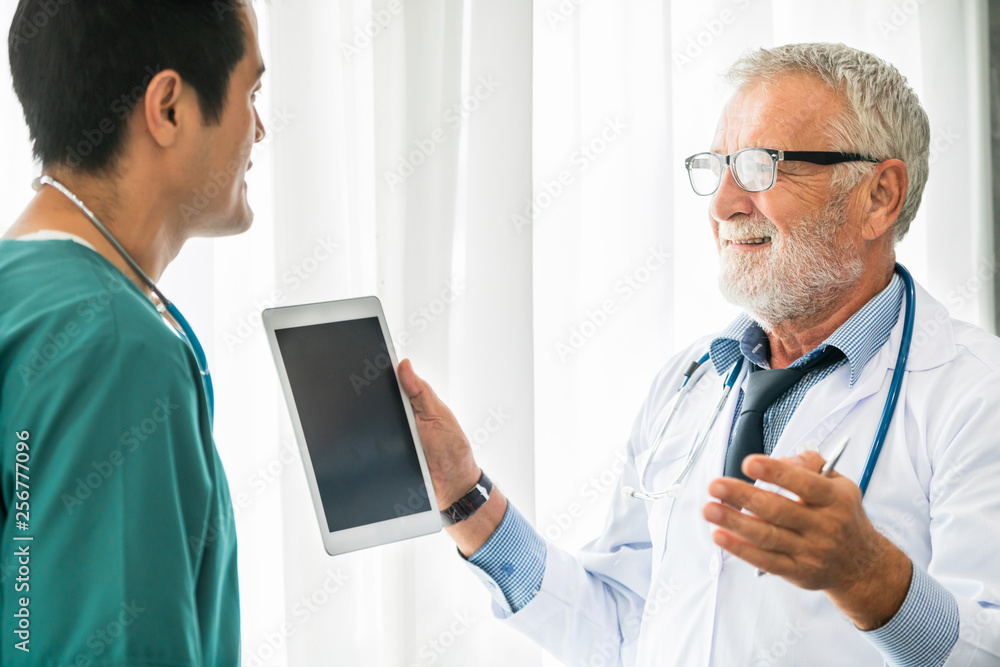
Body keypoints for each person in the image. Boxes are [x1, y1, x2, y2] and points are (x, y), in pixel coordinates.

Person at [397, 43, 1000, 665]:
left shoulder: (977, 396)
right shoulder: (690, 382)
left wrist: (869, 578)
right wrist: (463, 496)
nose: (722, 205)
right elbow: (623, 629)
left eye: (764, 167)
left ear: (879, 196)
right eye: (719, 168)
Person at [0, 1, 265, 664]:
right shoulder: (116, 346)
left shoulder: (24, 294)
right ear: (169, 107)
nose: (258, 130)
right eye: (251, 93)